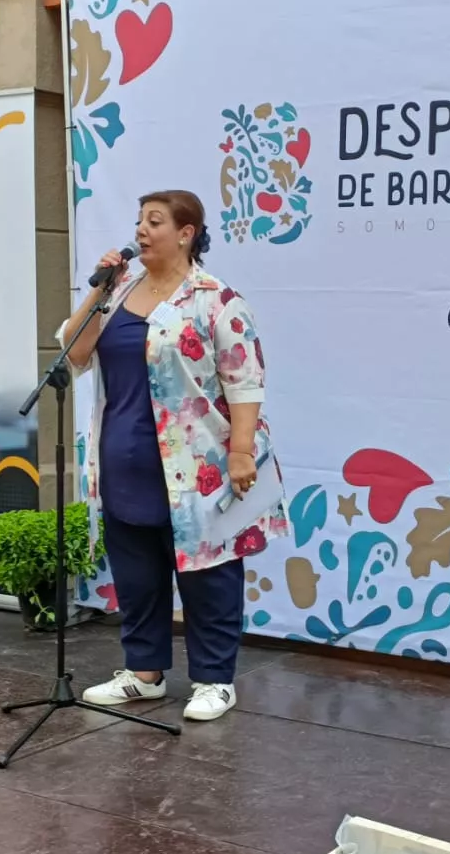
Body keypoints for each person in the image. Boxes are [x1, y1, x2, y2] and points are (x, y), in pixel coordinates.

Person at [60, 190, 285, 722]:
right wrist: (97, 291)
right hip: (122, 458)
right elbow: (74, 354)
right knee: (136, 570)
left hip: (198, 465)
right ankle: (144, 673)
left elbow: (245, 380)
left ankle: (213, 679)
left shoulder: (215, 298)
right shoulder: (118, 293)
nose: (141, 230)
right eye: (138, 220)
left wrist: (241, 452)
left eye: (154, 221)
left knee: (209, 575)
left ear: (186, 233)